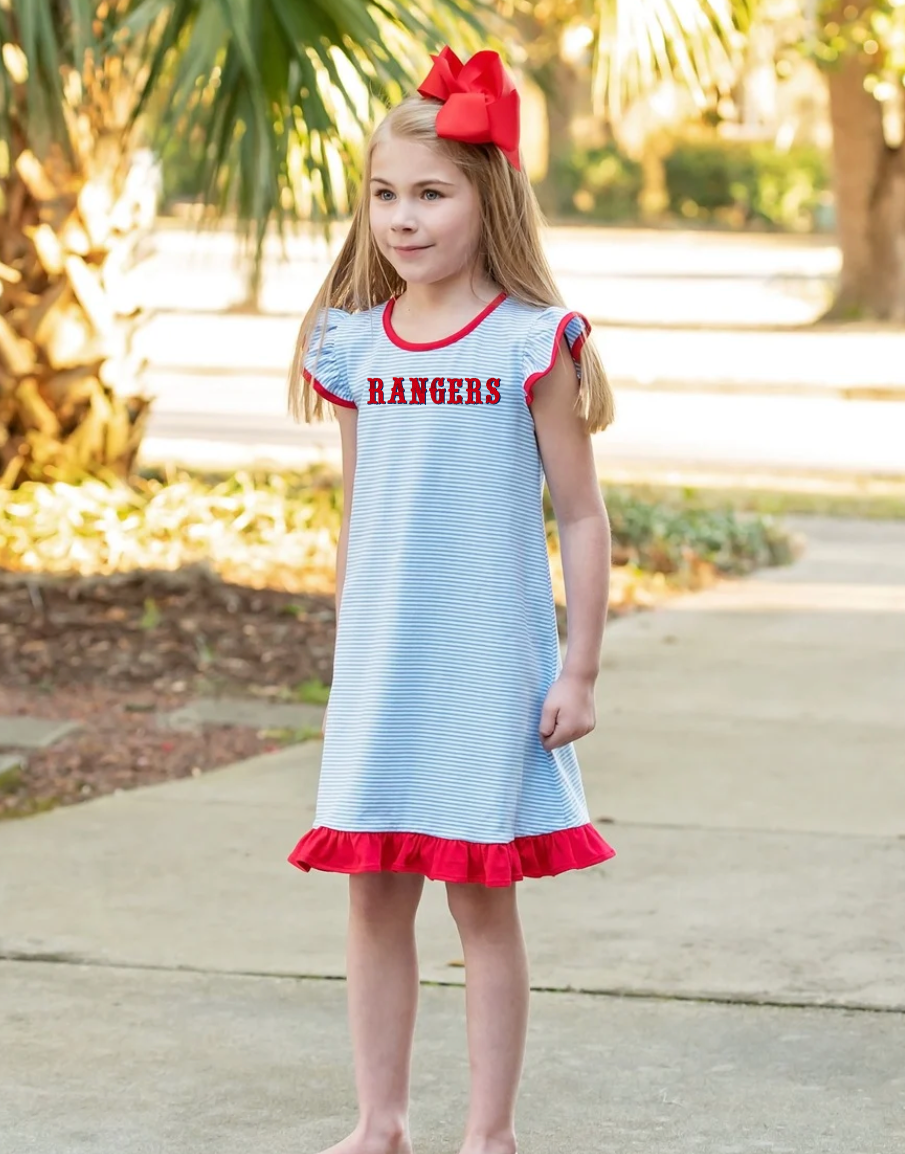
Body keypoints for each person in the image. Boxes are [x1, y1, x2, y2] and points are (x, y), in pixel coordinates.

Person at [286, 45, 616, 1154]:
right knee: (374, 896)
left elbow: (579, 513)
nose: (401, 216)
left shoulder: (533, 343)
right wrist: (347, 650)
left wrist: (576, 666)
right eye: (384, 193)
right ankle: (378, 1120)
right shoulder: (352, 346)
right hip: (383, 665)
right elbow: (360, 514)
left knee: (480, 903)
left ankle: (489, 1130)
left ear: (492, 198)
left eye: (430, 193)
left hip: (489, 669)